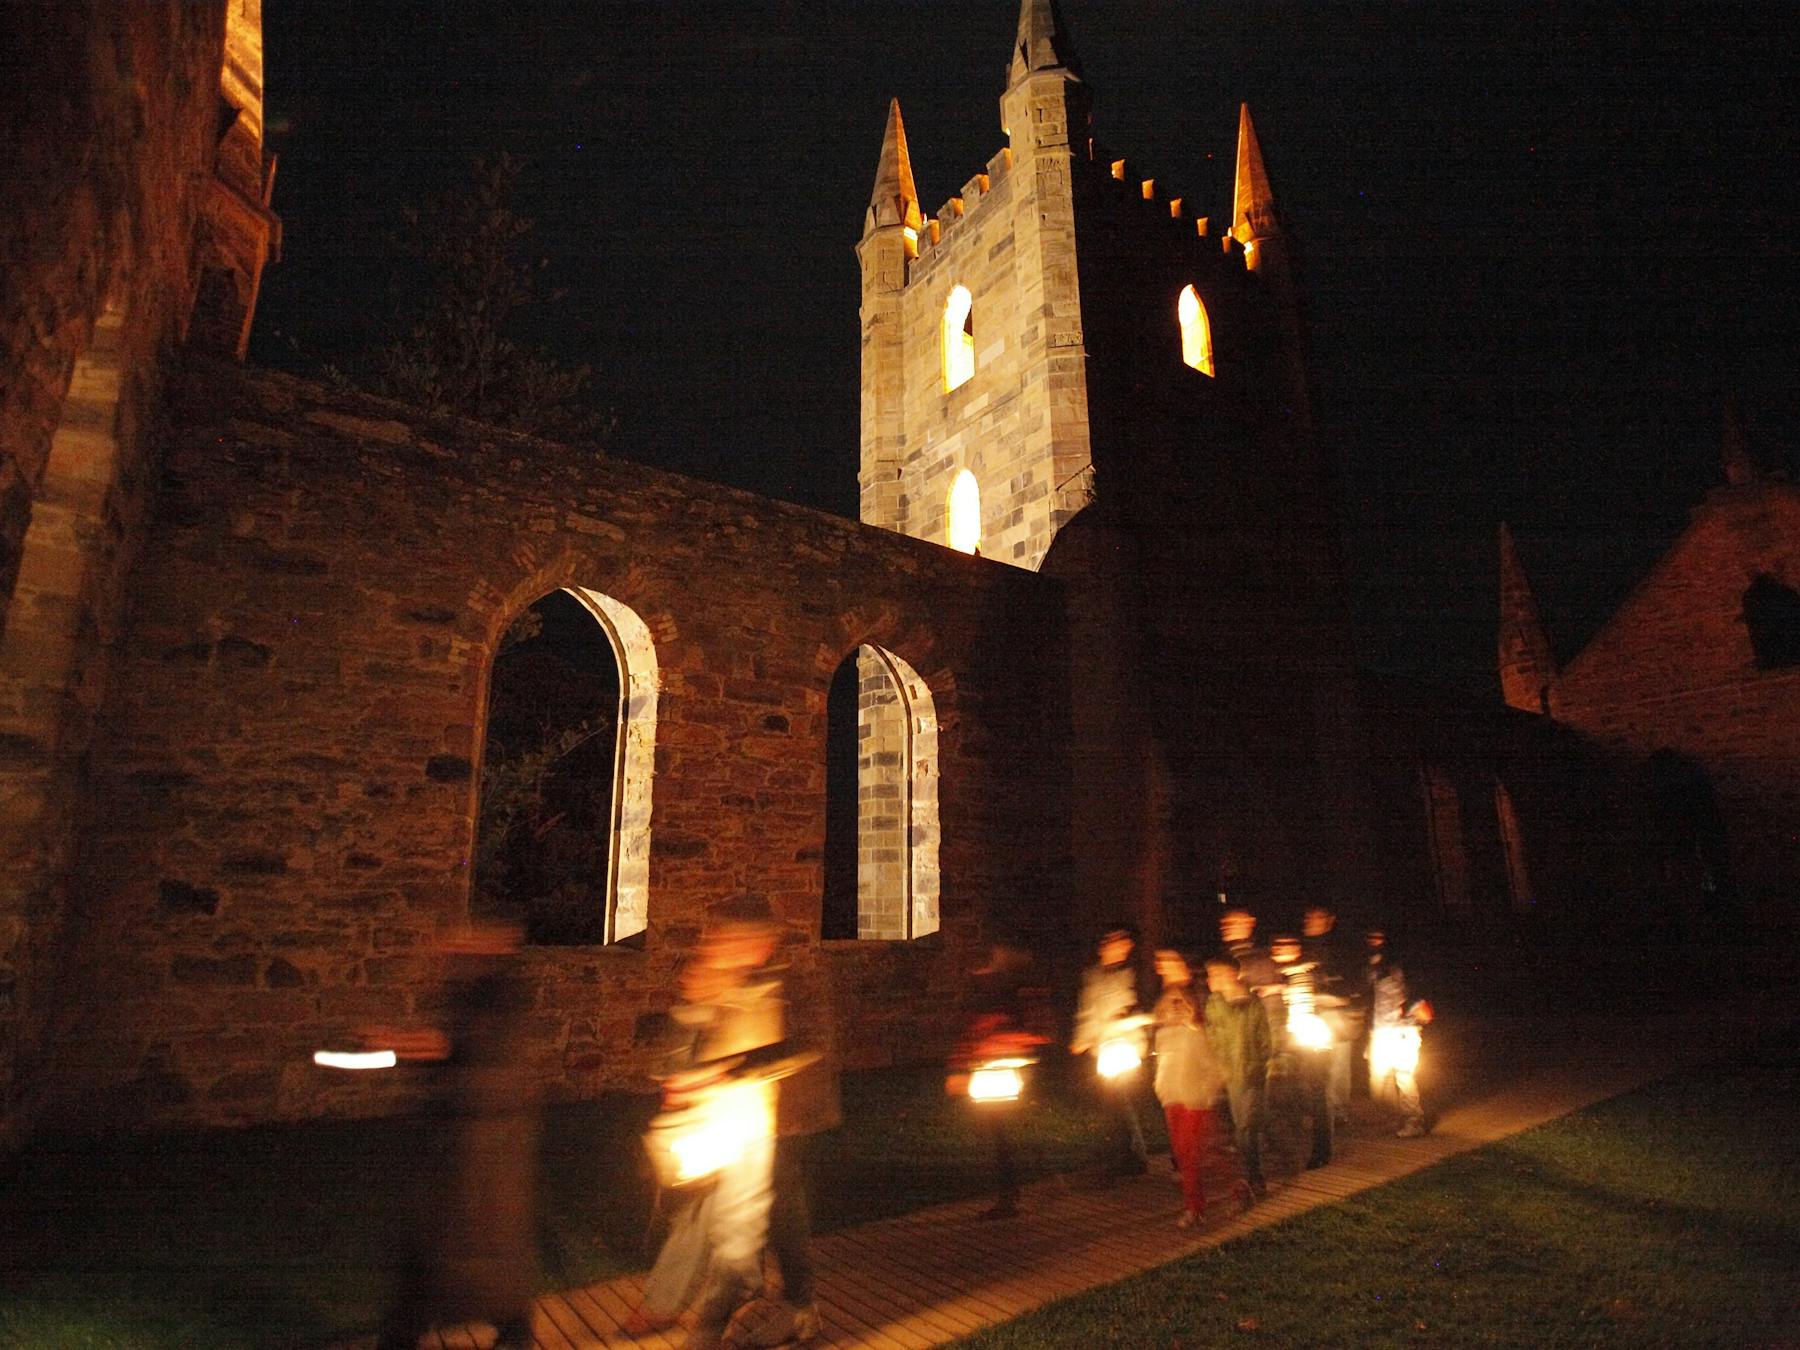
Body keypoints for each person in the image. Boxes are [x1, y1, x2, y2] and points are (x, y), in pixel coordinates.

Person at [630, 900, 797, 1350]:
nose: (717, 945)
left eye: (731, 939)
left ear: (760, 945)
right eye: (717, 937)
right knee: (704, 1220)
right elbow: (679, 1048)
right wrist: (676, 1073)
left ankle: (711, 1329)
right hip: (703, 1126)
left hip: (747, 1125)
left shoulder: (773, 987)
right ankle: (685, 1302)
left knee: (739, 1234)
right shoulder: (707, 983)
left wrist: (726, 1071)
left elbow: (787, 1051)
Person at [373, 921, 539, 1350]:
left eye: (468, 940)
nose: (452, 946)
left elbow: (454, 1045)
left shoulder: (499, 994)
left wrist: (394, 1045)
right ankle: (408, 1331)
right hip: (459, 1134)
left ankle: (512, 1328)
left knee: (472, 1244)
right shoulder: (468, 988)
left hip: (484, 1140)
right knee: (442, 1243)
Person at [951, 941, 1048, 1218]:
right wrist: (959, 1067)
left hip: (1002, 1072)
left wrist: (1003, 1044)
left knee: (1002, 1135)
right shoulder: (978, 992)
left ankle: (1009, 1195)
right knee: (997, 1134)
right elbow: (968, 1031)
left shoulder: (1009, 991)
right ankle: (1010, 1191)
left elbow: (1033, 1030)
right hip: (987, 1073)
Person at [1150, 950, 1229, 1227]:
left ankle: (1199, 1206)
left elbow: (1211, 1050)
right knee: (1186, 1152)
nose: (1162, 966)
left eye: (1169, 961)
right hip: (1172, 1089)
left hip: (1196, 1090)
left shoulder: (1197, 1012)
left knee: (1195, 1150)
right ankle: (1206, 1200)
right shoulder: (1164, 1015)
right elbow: (1161, 1051)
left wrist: (1209, 1089)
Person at [1070, 924, 1152, 1176]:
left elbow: (1143, 1012)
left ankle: (1134, 1156)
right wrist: (1082, 1038)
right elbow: (1088, 1011)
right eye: (1111, 942)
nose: (1116, 947)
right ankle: (1122, 1154)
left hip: (1125, 1048)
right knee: (1112, 1103)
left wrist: (1124, 1022)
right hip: (1103, 1049)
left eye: (1122, 942)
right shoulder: (1094, 976)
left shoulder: (1132, 975)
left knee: (1121, 1101)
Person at [1202, 955, 1271, 1200]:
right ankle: (1249, 1175)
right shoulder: (1214, 1003)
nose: (1210, 979)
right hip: (1231, 1076)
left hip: (1252, 1074)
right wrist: (1220, 1067)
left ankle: (1255, 1177)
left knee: (1246, 1128)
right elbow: (1213, 1037)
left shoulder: (1252, 1003)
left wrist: (1261, 1066)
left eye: (1215, 974)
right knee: (1241, 1128)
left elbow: (1264, 1038)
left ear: (1232, 975)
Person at [1270, 934, 1333, 1169]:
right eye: (1275, 946)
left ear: (1295, 948)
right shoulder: (1289, 975)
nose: (1276, 950)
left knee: (1316, 1097)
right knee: (1303, 1096)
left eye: (1282, 946)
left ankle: (1321, 1151)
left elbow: (1307, 1005)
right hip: (1299, 1041)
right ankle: (1311, 1149)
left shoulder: (1302, 973)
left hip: (1312, 1042)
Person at [1366, 928, 1430, 1138]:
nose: (1374, 943)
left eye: (1379, 939)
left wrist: (1412, 1013)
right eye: (1371, 939)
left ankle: (1414, 1121)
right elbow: (1370, 1001)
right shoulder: (1370, 969)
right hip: (1380, 1030)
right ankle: (1394, 1118)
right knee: (1378, 1081)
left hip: (1403, 1031)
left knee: (1404, 1076)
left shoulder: (1402, 967)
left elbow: (1416, 997)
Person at [1302, 905, 1361, 1127]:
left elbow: (1353, 979)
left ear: (1330, 920)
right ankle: (1318, 1109)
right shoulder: (1303, 947)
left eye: (1317, 917)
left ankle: (1337, 1110)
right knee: (1312, 1064)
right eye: (1309, 916)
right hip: (1310, 1013)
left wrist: (1338, 995)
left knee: (1337, 1063)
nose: (1311, 921)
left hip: (1336, 1013)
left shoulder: (1340, 948)